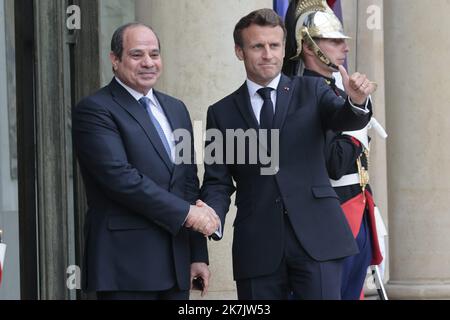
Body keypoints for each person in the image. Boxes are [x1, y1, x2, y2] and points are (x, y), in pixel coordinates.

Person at [200, 8, 376, 300]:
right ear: (239, 51)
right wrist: (212, 217)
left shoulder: (313, 89)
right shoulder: (221, 112)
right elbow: (218, 181)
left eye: (274, 45)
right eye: (257, 46)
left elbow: (343, 119)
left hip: (318, 239)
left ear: (284, 49)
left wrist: (356, 101)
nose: (267, 54)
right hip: (257, 247)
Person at [72, 22, 219, 300]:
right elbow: (121, 178)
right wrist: (188, 214)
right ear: (115, 60)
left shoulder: (176, 109)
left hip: (176, 265)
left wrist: (197, 254)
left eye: (155, 54)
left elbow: (188, 181)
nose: (148, 63)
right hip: (126, 266)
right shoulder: (95, 110)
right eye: (137, 54)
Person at [283, 0, 384, 299]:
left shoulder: (340, 92)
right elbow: (336, 163)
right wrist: (359, 125)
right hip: (333, 215)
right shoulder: (303, 95)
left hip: (359, 210)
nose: (345, 48)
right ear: (310, 47)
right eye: (335, 41)